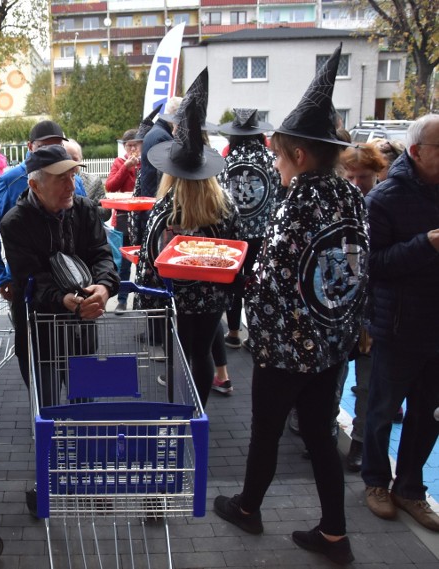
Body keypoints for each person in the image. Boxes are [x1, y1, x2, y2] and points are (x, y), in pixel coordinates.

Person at [213, 45, 366, 566]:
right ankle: (334, 534)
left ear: (298, 155)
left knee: (266, 432)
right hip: (331, 344)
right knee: (321, 436)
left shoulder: (298, 200)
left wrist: (237, 284)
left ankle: (249, 508)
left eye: (278, 155)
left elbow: (272, 280)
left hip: (286, 348)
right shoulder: (351, 196)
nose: (274, 163)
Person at [0, 143, 119, 516]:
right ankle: (49, 478)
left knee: (85, 405)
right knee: (47, 408)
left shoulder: (84, 209)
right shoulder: (15, 223)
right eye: (61, 178)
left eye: (72, 175)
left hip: (82, 326)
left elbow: (102, 255)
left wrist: (104, 287)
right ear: (35, 185)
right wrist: (64, 299)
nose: (71, 184)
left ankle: (88, 475)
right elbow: (29, 279)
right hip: (40, 330)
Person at [135, 69, 239, 408]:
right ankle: (198, 413)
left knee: (180, 354)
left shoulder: (165, 207)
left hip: (173, 297)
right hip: (211, 297)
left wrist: (145, 301)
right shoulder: (224, 205)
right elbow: (237, 252)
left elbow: (149, 260)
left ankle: (179, 413)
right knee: (204, 351)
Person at [361, 113, 439, 532]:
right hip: (397, 325)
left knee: (429, 415)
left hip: (435, 327)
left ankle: (410, 489)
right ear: (417, 151)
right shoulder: (384, 199)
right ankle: (376, 482)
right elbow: (373, 266)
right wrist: (425, 244)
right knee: (382, 411)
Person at [0, 120, 85, 302]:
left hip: (73, 279)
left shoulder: (74, 180)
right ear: (30, 146)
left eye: (58, 145)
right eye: (44, 146)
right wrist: (0, 277)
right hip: (26, 285)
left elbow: (86, 228)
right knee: (31, 330)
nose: (52, 151)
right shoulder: (11, 180)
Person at [338, 143, 386, 472]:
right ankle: (325, 433)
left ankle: (359, 443)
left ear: (377, 174)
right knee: (334, 378)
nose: (357, 183)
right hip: (341, 311)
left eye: (364, 177)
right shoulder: (336, 205)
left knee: (368, 385)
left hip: (375, 311)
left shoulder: (384, 206)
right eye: (350, 176)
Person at [217, 109, 279, 353]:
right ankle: (256, 334)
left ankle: (232, 332)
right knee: (257, 282)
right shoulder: (270, 158)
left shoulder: (226, 161)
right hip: (262, 234)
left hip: (232, 234)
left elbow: (220, 198)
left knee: (233, 279)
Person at [130, 97, 182, 247]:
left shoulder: (157, 133)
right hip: (157, 207)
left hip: (151, 205)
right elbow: (166, 177)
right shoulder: (162, 137)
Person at [106, 129, 144, 310]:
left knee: (145, 262)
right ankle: (122, 300)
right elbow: (110, 186)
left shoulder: (147, 164)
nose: (132, 148)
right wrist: (126, 167)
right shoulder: (119, 163)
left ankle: (144, 298)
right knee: (123, 264)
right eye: (129, 145)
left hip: (142, 217)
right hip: (123, 218)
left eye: (135, 145)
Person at [64, 139, 110, 222]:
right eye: (66, 158)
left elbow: (106, 212)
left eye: (74, 159)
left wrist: (86, 210)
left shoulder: (94, 181)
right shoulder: (55, 181)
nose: (71, 163)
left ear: (81, 159)